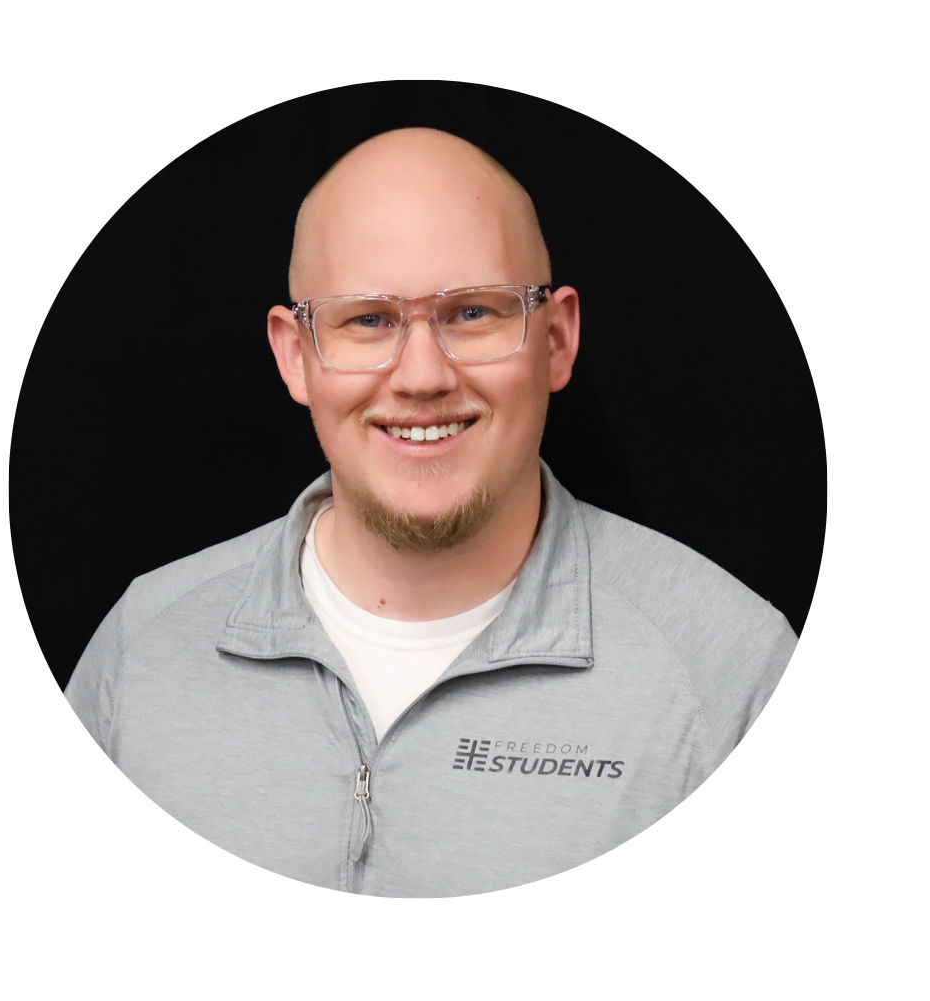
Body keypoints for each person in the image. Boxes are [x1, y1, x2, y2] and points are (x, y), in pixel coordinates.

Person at [64, 127, 795, 897]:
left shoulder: (737, 679)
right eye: (367, 320)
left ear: (556, 340)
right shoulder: (142, 649)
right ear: (295, 356)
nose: (421, 377)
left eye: (473, 313)